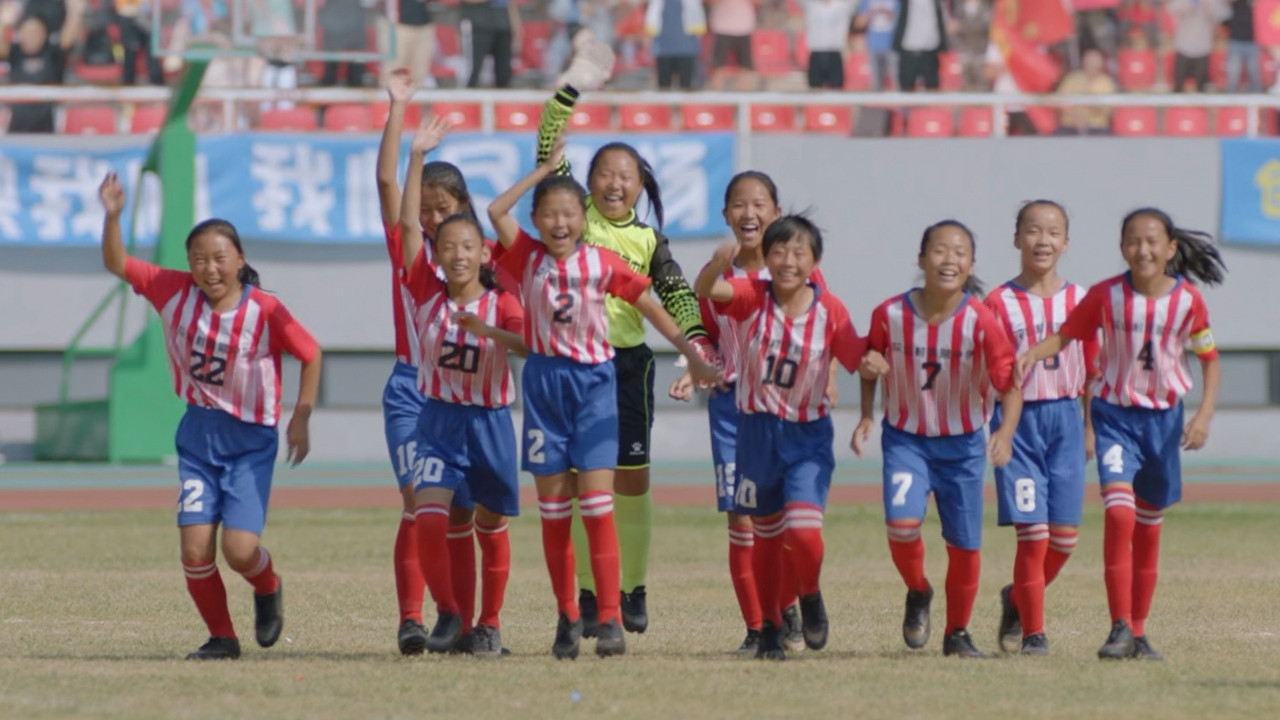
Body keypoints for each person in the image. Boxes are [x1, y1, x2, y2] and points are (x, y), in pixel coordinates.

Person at [488, 136, 719, 660]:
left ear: (582, 218)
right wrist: (542, 171)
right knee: (554, 512)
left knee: (597, 505)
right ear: (537, 219)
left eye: (568, 214)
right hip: (545, 390)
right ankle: (567, 614)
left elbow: (652, 305)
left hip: (595, 388)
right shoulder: (526, 257)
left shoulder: (602, 262)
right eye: (550, 214)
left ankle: (611, 616)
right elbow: (496, 210)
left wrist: (693, 353)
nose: (560, 223)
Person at [97, 172, 322, 661]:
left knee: (239, 551)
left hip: (251, 441)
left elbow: (311, 353)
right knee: (195, 550)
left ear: (240, 260)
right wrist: (113, 216)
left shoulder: (265, 310)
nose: (209, 268)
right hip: (199, 436)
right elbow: (117, 262)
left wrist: (301, 415)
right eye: (199, 258)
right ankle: (222, 638)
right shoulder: (172, 290)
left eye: (220, 257)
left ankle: (268, 584)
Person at [536, 44, 716, 640]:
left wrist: (697, 351)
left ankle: (633, 589)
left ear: (641, 186)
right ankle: (591, 596)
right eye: (605, 174)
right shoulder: (572, 218)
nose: (615, 183)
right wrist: (572, 87)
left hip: (626, 368)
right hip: (569, 366)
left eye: (626, 176)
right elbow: (547, 140)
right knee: (580, 484)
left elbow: (679, 296)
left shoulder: (648, 240)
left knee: (630, 479)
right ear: (587, 182)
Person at [1015, 208, 1225, 661]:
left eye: (1152, 241)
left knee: (1148, 530)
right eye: (1133, 240)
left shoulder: (1187, 301)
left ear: (1170, 248)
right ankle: (1119, 626)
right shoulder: (1105, 295)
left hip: (1163, 425)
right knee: (1119, 514)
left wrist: (1203, 416)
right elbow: (1066, 335)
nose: (1142, 249)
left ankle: (1139, 633)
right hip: (1115, 418)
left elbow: (1210, 360)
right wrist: (1031, 354)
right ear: (1121, 247)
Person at [695, 215, 879, 660]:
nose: (788, 261)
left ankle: (810, 593)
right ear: (767, 257)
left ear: (814, 262)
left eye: (799, 253)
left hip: (807, 438)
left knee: (803, 530)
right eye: (779, 252)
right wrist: (717, 263)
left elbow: (859, 358)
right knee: (765, 537)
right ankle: (771, 628)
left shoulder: (830, 310)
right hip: (756, 434)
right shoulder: (751, 295)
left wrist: (870, 390)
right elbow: (706, 290)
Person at [851, 220, 1022, 659]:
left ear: (971, 264)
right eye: (941, 250)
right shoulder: (889, 314)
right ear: (922, 258)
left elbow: (1010, 385)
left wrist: (1004, 433)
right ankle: (918, 590)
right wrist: (867, 412)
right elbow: (870, 360)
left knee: (964, 544)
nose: (950, 260)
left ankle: (957, 633)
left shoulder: (981, 320)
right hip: (906, 440)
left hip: (963, 447)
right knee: (901, 526)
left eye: (960, 253)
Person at [396, 118, 525, 660]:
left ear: (483, 252)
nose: (456, 254)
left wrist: (489, 332)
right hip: (438, 420)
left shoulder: (503, 301)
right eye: (447, 246)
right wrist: (416, 156)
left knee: (489, 526)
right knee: (430, 516)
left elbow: (527, 346)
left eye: (467, 246)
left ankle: (488, 624)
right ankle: (450, 612)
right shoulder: (424, 286)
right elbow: (407, 225)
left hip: (489, 424)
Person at [669, 171, 808, 654]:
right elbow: (706, 338)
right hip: (732, 411)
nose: (749, 213)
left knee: (788, 521)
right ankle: (758, 626)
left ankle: (787, 604)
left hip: (785, 413)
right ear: (726, 214)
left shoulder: (796, 270)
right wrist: (696, 369)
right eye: (739, 205)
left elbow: (820, 328)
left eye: (759, 204)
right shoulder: (717, 276)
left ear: (776, 211)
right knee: (741, 519)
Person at [374, 68, 482, 656]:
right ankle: (412, 620)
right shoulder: (408, 249)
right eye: (427, 210)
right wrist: (398, 108)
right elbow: (386, 180)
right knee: (419, 501)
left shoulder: (480, 260)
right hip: (411, 392)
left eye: (445, 209)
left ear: (465, 208)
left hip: (464, 397)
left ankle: (464, 623)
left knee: (462, 512)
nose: (435, 219)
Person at [984, 201, 1096, 656]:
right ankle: (1034, 633)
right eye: (1033, 230)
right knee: (1033, 536)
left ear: (1066, 242)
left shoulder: (1082, 300)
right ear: (1017, 238)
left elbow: (1092, 369)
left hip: (1066, 421)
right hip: (1020, 424)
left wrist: (1089, 426)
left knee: (1064, 540)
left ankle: (1016, 597)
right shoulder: (998, 302)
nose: (1042, 240)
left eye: (1053, 232)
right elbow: (989, 370)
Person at [0, 0, 84, 133]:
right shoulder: (15, 53)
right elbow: (2, 48)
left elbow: (67, 40)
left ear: (44, 34)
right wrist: (3, 22)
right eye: (28, 32)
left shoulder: (52, 53)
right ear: (20, 34)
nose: (32, 36)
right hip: (16, 130)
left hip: (48, 131)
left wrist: (75, 12)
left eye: (36, 32)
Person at [1168, 0, 1230, 92]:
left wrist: (1208, 5)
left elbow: (1225, 14)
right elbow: (1171, 8)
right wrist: (1188, 5)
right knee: (1178, 84)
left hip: (1203, 48)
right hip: (1184, 46)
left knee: (1201, 86)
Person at [1054, 48, 1118, 136]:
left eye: (1094, 61)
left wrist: (1091, 106)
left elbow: (1108, 110)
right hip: (1070, 126)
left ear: (1101, 63)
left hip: (1096, 128)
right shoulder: (1071, 79)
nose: (1091, 64)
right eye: (1089, 60)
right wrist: (1076, 118)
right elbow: (1060, 103)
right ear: (1083, 61)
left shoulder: (1106, 83)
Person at [462, 0, 521, 89]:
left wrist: (517, 27)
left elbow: (510, 5)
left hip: (504, 28)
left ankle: (502, 95)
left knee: (504, 72)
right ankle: (467, 94)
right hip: (480, 27)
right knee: (474, 70)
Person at [801, 0, 857, 89]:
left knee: (836, 87)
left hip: (834, 52)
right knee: (814, 88)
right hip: (816, 52)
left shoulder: (842, 7)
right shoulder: (812, 6)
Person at [893, 0, 947, 91]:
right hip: (909, 46)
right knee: (906, 85)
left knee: (932, 85)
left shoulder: (936, 2)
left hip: (930, 46)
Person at [1224, 0, 1262, 93]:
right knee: (1233, 73)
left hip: (1252, 40)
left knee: (1254, 72)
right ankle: (1231, 96)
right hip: (1236, 40)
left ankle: (1257, 96)